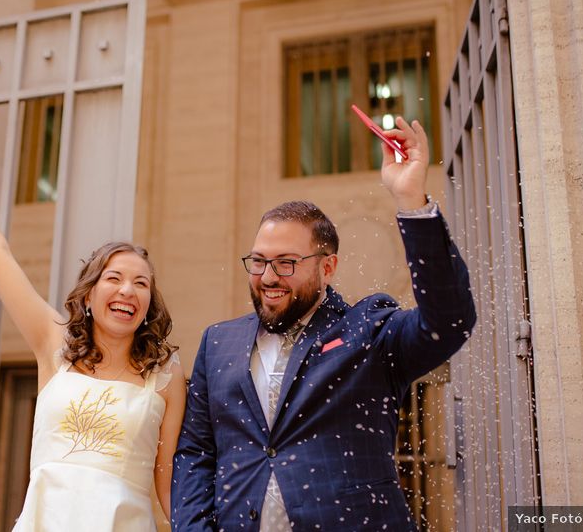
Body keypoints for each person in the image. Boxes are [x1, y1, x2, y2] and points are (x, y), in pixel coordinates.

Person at [171, 118, 476, 531]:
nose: (268, 276)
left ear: (327, 267)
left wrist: (411, 202)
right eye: (259, 261)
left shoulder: (368, 331)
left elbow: (449, 322)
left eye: (286, 263)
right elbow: (196, 451)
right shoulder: (217, 343)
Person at [0, 140, 186, 531]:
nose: (128, 290)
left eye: (141, 283)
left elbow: (166, 479)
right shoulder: (53, 344)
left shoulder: (165, 375)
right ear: (90, 295)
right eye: (114, 278)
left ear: (148, 304)